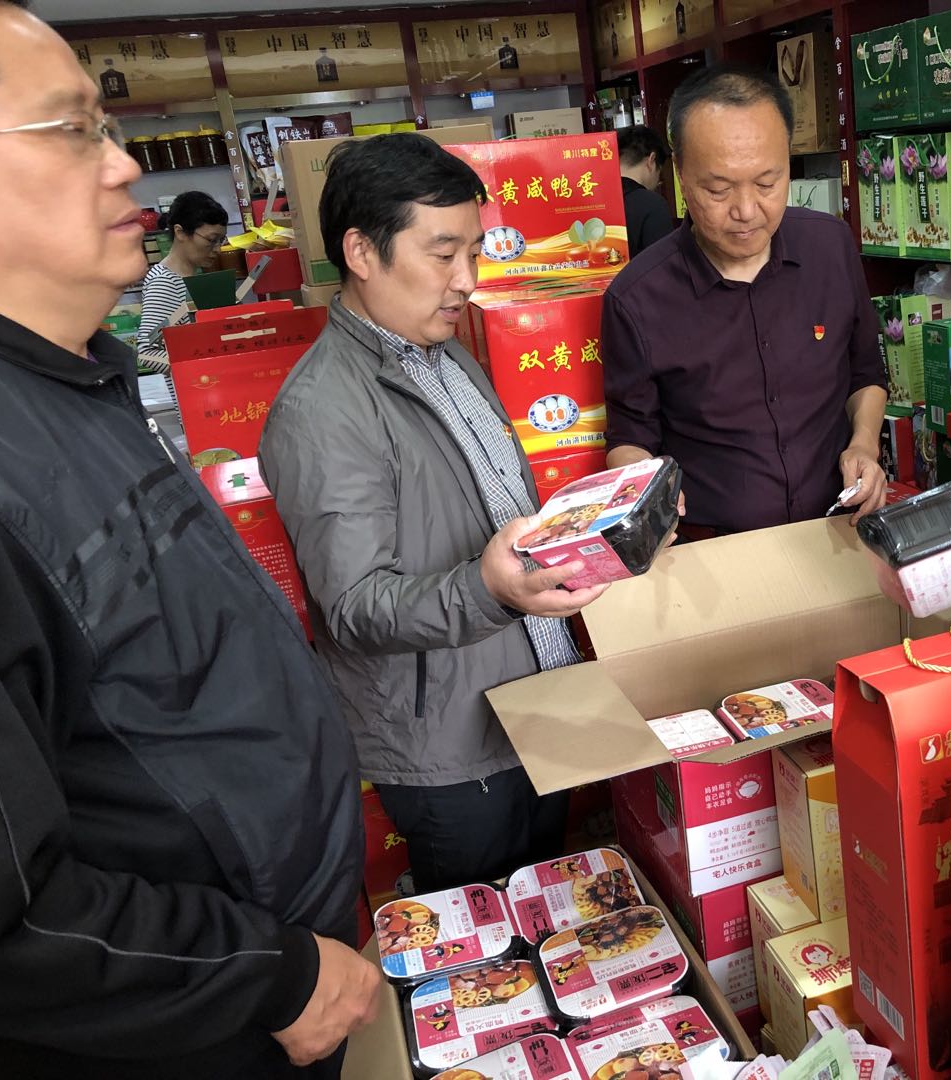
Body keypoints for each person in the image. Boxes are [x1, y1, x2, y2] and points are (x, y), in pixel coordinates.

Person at [0, 4, 377, 1078]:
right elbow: (8, 916)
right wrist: (269, 976)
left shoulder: (72, 378)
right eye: (72, 130)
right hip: (197, 1024)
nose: (124, 166)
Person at [258, 134, 608, 895]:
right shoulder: (322, 411)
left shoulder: (445, 355)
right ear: (361, 251)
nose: (468, 281)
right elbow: (354, 607)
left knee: (553, 910)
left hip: (532, 702)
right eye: (443, 254)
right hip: (450, 746)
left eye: (474, 253)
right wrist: (489, 589)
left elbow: (495, 506)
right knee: (485, 938)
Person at [602, 66, 887, 537]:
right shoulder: (636, 298)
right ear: (679, 175)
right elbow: (629, 438)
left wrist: (863, 445)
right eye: (719, 190)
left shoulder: (831, 247)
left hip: (837, 532)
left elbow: (865, 374)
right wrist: (645, 490)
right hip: (714, 552)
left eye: (768, 183)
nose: (747, 211)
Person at [137, 188, 228, 367]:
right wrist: (196, 370)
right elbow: (147, 353)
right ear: (180, 232)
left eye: (221, 240)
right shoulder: (164, 282)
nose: (218, 249)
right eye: (211, 240)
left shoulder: (191, 275)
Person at [618, 124, 674, 256]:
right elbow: (664, 262)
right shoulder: (653, 205)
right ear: (651, 160)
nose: (658, 181)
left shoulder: (593, 201)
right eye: (659, 172)